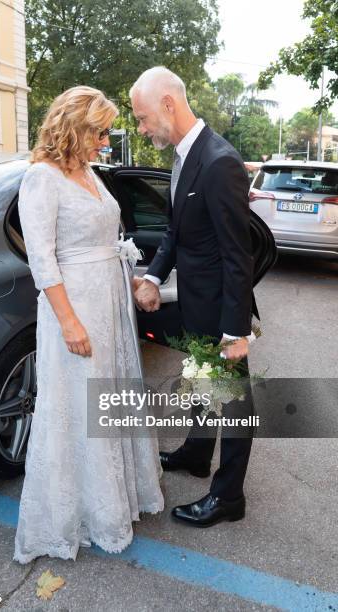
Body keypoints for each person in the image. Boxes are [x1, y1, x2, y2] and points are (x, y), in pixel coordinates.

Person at [14, 86, 163, 564]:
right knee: (75, 408)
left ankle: (113, 503)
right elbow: (42, 259)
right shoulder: (42, 177)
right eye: (99, 132)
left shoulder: (91, 174)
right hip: (74, 307)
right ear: (74, 127)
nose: (105, 141)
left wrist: (136, 279)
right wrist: (69, 323)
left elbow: (109, 239)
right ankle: (70, 518)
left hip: (110, 304)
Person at [130, 67, 257, 528]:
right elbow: (176, 232)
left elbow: (236, 254)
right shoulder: (186, 156)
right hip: (197, 303)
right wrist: (153, 276)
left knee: (236, 404)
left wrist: (236, 331)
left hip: (223, 310)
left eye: (143, 118)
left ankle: (228, 498)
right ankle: (196, 454)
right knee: (202, 385)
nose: (141, 129)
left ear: (168, 104)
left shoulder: (220, 160)